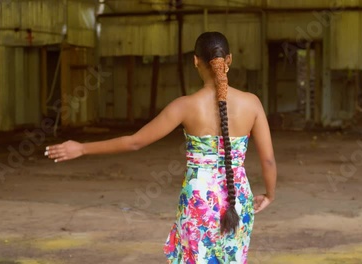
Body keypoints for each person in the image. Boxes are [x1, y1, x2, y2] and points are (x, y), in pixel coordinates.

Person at [45, 32, 277, 263]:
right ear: (229, 60)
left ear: (195, 61)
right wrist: (269, 194)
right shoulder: (252, 103)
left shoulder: (184, 106)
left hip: (198, 200)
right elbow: (268, 161)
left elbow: (134, 142)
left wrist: (82, 148)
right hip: (238, 201)